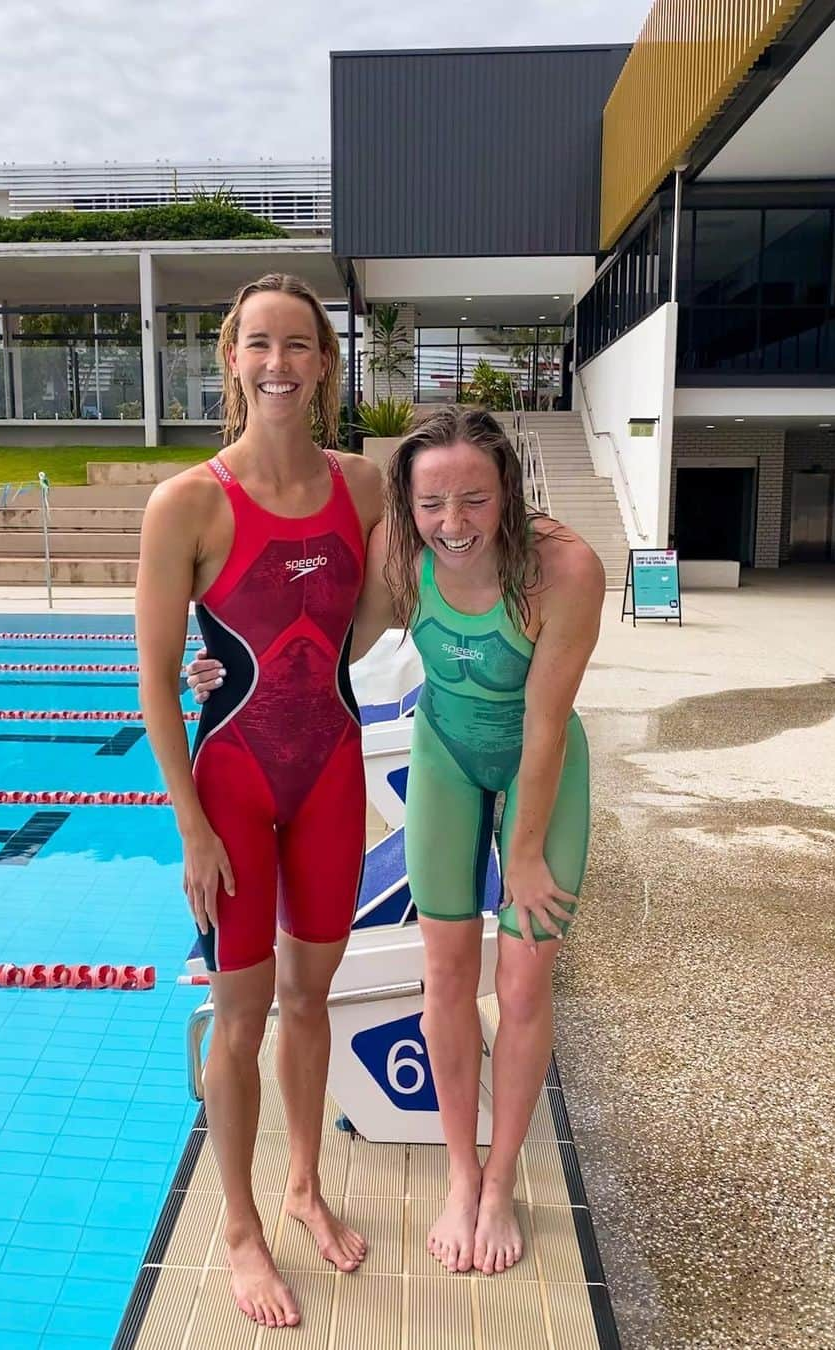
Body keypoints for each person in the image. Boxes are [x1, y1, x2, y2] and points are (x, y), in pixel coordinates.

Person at [188, 406, 604, 1277]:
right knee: (446, 971)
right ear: (406, 505)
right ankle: (461, 1175)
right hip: (446, 758)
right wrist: (228, 663)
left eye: (475, 500)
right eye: (432, 504)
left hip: (542, 770)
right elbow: (331, 647)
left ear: (508, 494)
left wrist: (523, 855)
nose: (454, 523)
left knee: (526, 977)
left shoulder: (565, 569)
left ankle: (500, 1185)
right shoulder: (400, 557)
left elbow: (545, 725)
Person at [136, 273, 381, 1329]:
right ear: (232, 360)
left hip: (331, 767)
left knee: (312, 1000)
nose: (278, 362)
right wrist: (190, 823)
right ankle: (239, 1226)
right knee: (239, 1021)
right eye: (258, 344)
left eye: (298, 344)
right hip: (232, 786)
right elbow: (153, 675)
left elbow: (366, 625)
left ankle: (302, 1186)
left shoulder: (367, 489)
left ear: (325, 363)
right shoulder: (187, 502)